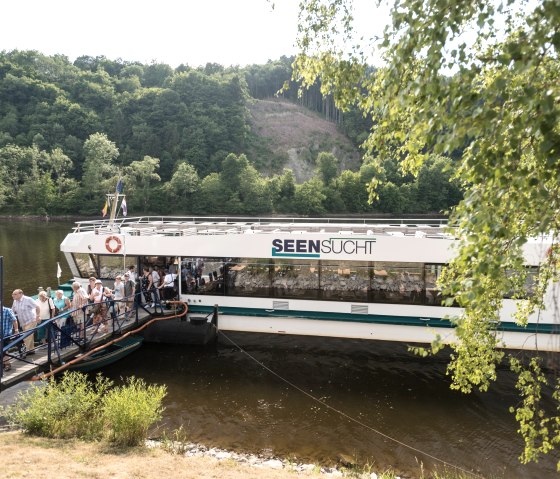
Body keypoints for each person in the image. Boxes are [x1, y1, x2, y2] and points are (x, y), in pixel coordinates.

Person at [11, 289, 39, 354]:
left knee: (27, 336)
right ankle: (31, 350)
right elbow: (12, 311)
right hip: (23, 322)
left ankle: (25, 351)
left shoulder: (28, 299)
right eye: (12, 294)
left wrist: (38, 316)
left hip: (31, 320)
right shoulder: (15, 301)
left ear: (21, 294)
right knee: (29, 337)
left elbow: (37, 307)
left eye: (15, 294)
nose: (13, 296)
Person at [2, 306, 18, 371]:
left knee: (4, 349)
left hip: (6, 334)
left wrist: (16, 330)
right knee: (2, 349)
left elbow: (14, 320)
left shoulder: (7, 310)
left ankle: (7, 364)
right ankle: (4, 363)